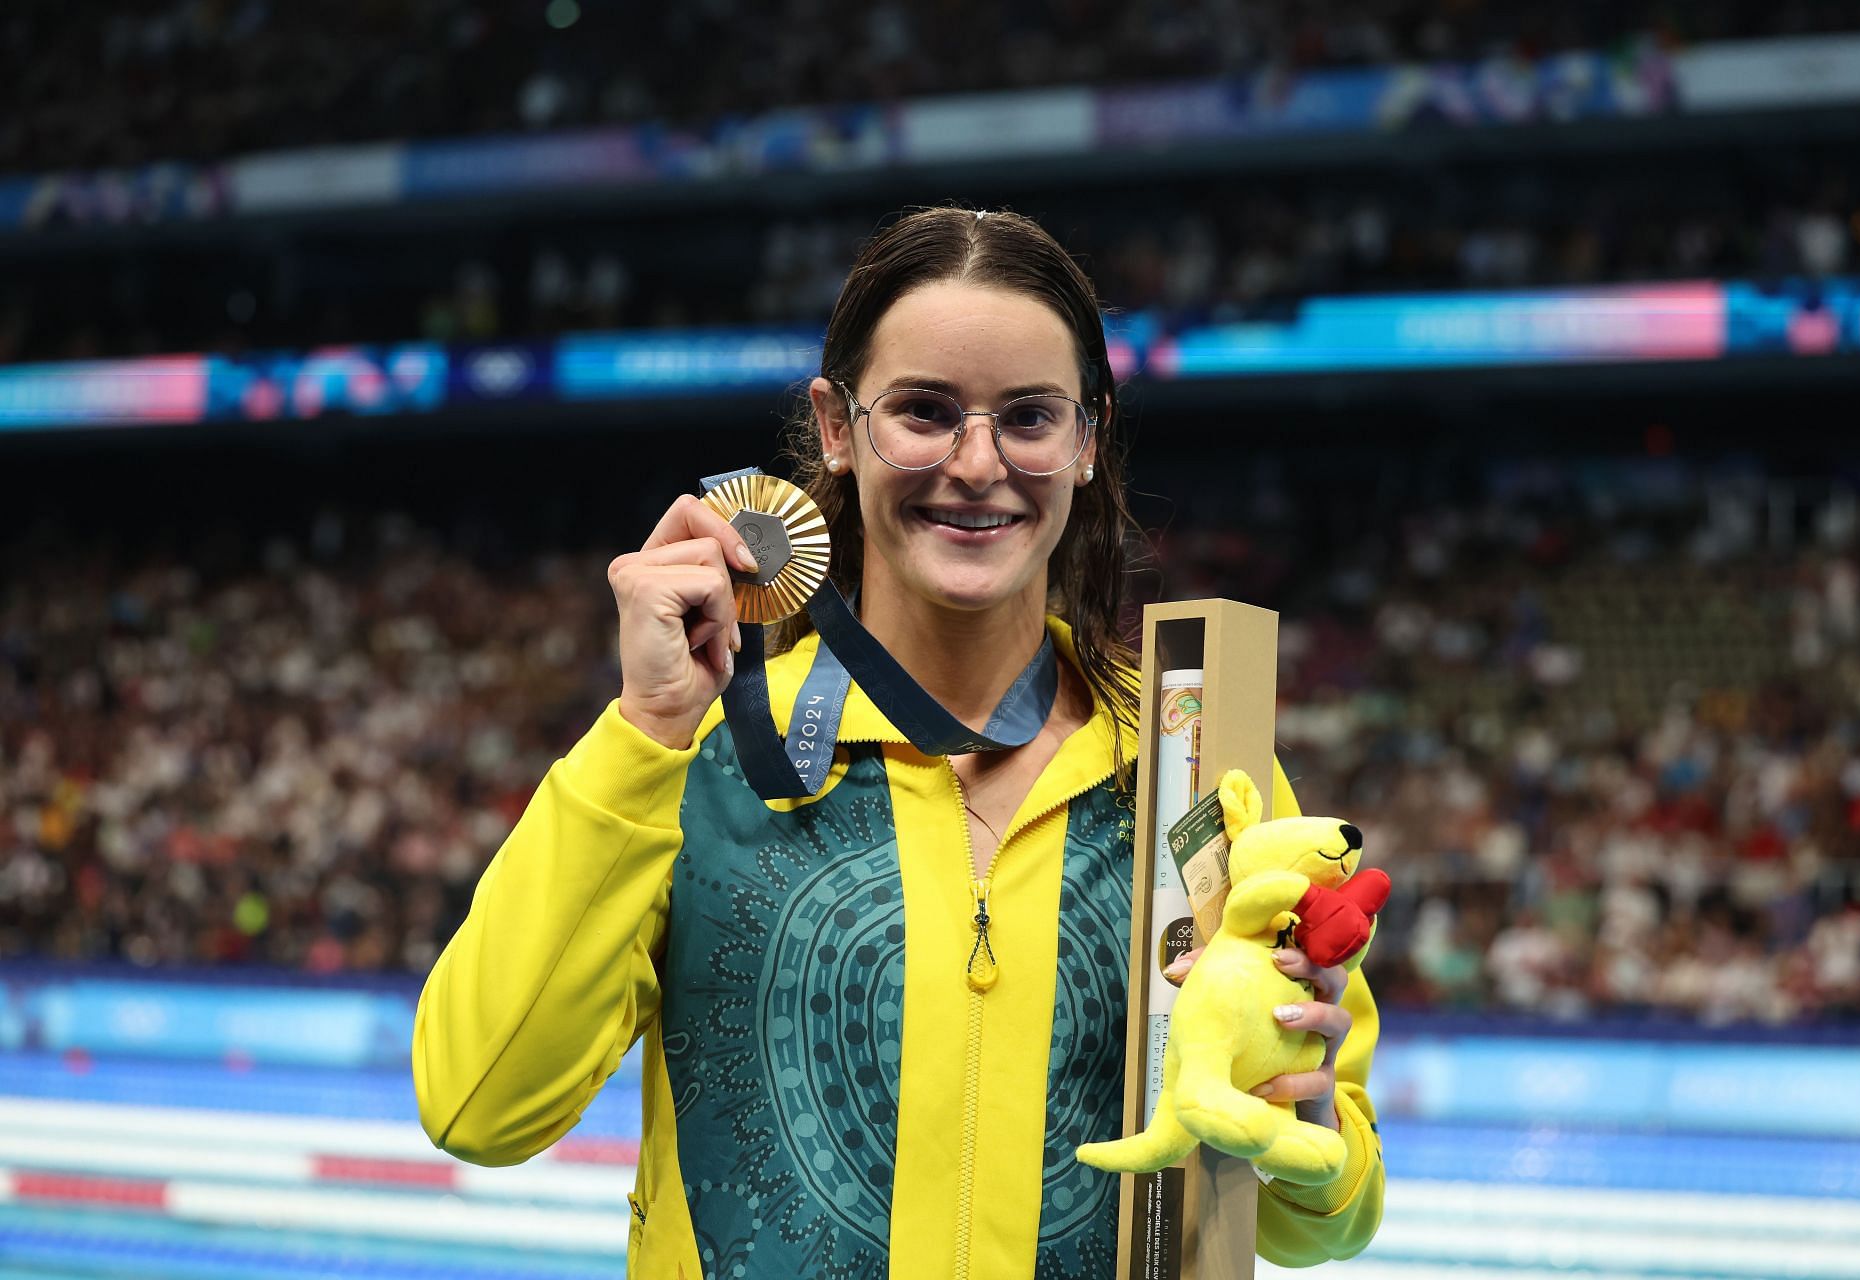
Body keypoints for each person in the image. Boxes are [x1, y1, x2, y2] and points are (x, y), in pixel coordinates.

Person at [411, 207, 1384, 1277]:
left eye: (1029, 417)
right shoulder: (705, 749)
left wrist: (1310, 1133)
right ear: (837, 424)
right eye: (925, 411)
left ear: (1089, 438)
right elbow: (475, 1103)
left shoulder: (1194, 764)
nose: (977, 463)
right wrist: (644, 728)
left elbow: (1319, 1218)